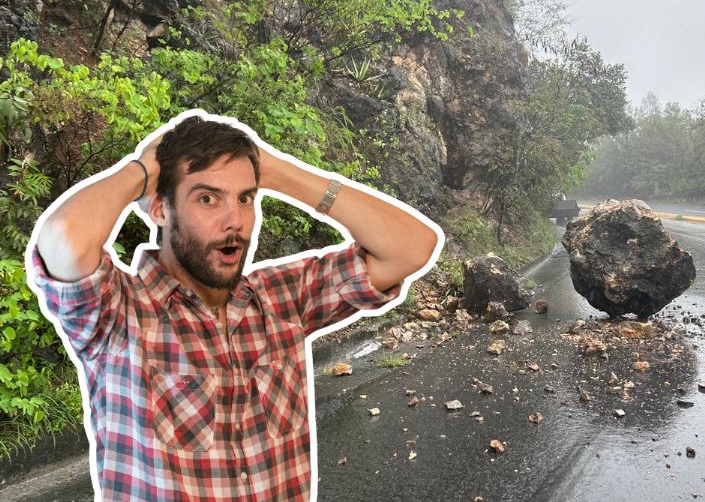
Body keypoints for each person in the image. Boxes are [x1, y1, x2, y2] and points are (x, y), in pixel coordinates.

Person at [26, 111, 441, 501]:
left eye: (245, 199)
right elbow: (64, 239)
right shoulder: (119, 315)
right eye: (208, 199)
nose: (235, 221)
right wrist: (142, 171)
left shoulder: (284, 297)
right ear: (160, 208)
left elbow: (409, 248)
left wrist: (277, 171)